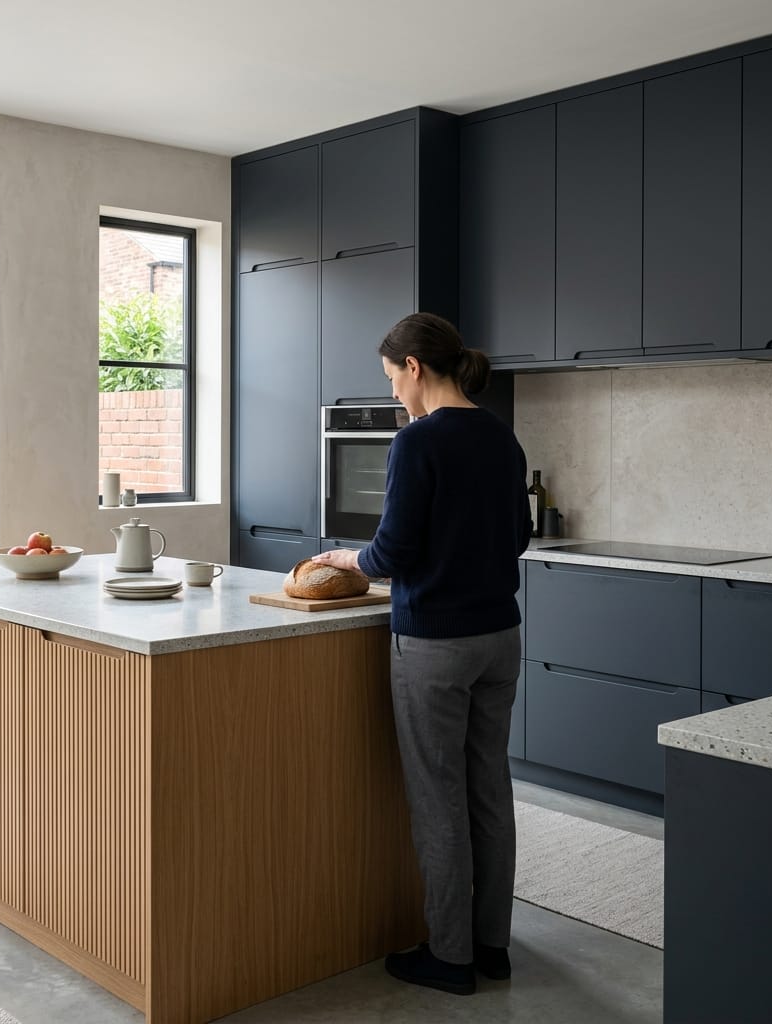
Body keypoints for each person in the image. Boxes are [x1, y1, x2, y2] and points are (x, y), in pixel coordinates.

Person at [311, 312, 531, 996]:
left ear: (414, 367)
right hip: (500, 637)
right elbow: (519, 538)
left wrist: (346, 558)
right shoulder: (500, 435)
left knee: (439, 798)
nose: (394, 394)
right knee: (489, 788)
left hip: (435, 642)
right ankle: (492, 945)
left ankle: (449, 955)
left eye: (391, 379)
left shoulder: (418, 441)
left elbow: (391, 552)